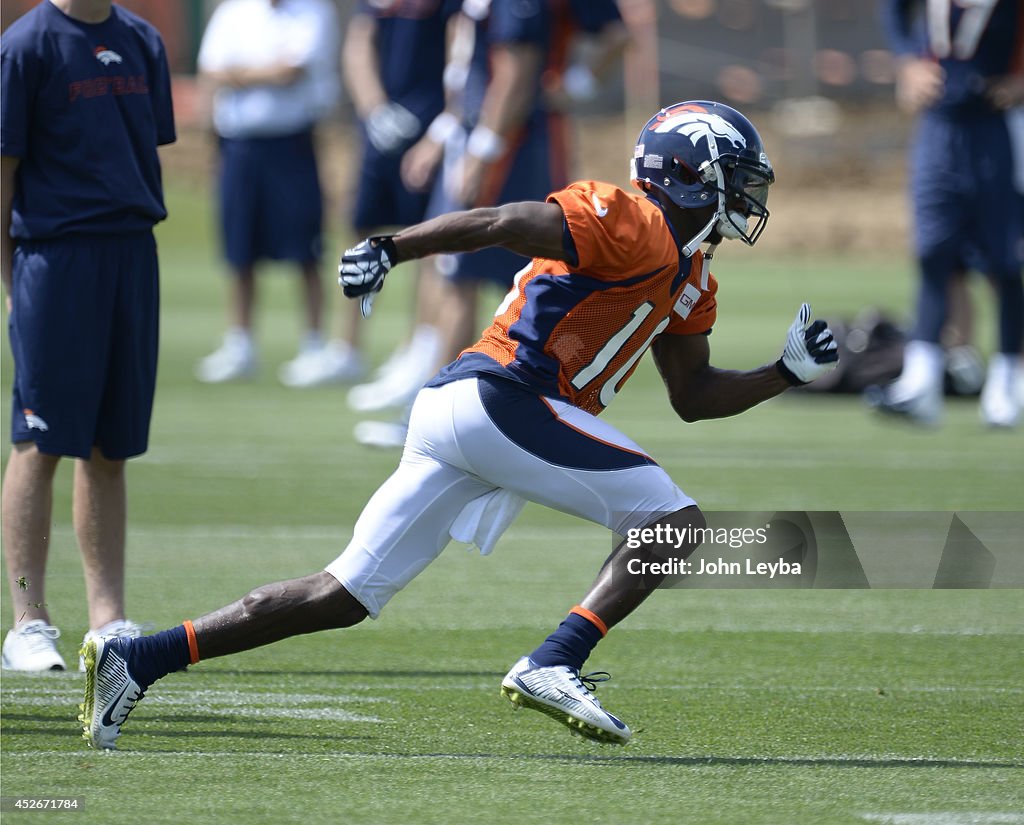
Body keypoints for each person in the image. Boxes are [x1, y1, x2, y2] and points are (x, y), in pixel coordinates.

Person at [79, 101, 838, 750]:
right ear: (688, 174)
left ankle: (138, 659)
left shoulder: (691, 272)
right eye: (734, 179)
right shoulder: (632, 220)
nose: (745, 197)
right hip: (502, 395)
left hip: (470, 411)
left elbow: (693, 394)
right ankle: (555, 658)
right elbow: (500, 221)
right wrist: (392, 247)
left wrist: (783, 374)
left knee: (341, 593)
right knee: (674, 521)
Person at [349, 0, 629, 447]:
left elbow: (516, 69)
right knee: (455, 272)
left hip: (509, 142)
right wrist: (444, 134)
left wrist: (484, 146)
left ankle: (435, 416)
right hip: (478, 133)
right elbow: (468, 68)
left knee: (472, 276)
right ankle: (466, 403)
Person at [1, 0, 175, 671]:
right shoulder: (26, 46)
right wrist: (13, 282)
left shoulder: (141, 40)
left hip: (132, 255)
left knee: (110, 446)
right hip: (55, 256)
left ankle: (108, 618)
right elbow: (4, 173)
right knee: (38, 439)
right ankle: (27, 620)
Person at [288, 0, 465, 390]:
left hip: (432, 125)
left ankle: (417, 347)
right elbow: (359, 44)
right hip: (381, 127)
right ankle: (346, 347)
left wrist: (447, 120)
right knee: (361, 230)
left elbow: (460, 48)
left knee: (430, 237)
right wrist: (374, 110)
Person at [868, 0, 1024, 427]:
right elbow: (894, 9)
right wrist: (907, 63)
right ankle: (921, 382)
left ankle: (1009, 380)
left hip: (999, 124)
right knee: (933, 252)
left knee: (1005, 260)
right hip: (939, 124)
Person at [192, 0, 341, 387]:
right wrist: (258, 73)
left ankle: (313, 344)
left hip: (290, 144)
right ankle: (240, 344)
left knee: (304, 249)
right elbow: (210, 70)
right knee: (239, 248)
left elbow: (289, 71)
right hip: (238, 146)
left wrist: (237, 74)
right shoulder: (234, 11)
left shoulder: (313, 11)